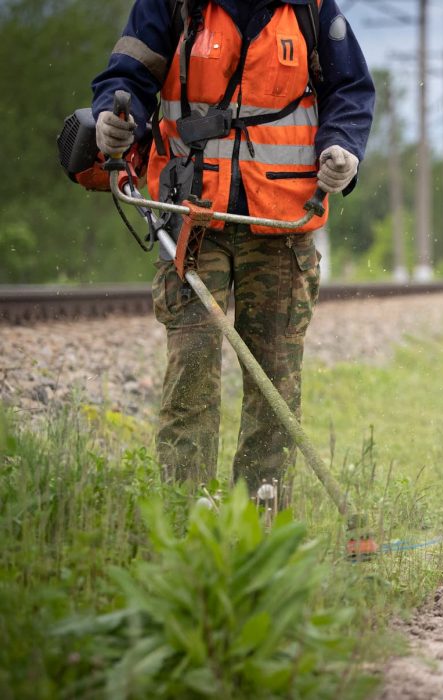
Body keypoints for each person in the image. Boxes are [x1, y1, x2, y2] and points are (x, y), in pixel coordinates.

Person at [91, 0, 375, 506]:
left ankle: (259, 525)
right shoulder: (170, 3)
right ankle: (185, 519)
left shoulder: (310, 9)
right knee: (191, 378)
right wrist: (113, 118)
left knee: (273, 385)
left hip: (282, 222)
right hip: (192, 218)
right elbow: (125, 81)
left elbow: (350, 90)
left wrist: (345, 146)